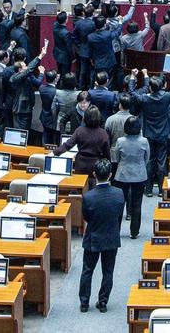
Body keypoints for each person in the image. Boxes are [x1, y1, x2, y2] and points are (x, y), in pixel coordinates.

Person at [78, 162, 124, 312]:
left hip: (93, 237)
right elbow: (118, 216)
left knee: (87, 270)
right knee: (108, 271)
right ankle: (103, 302)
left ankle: (84, 303)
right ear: (110, 175)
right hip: (111, 236)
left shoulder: (88, 197)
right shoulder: (119, 193)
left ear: (94, 175)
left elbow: (86, 217)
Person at [127, 69, 170, 193]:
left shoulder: (145, 99)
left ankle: (149, 189)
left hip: (148, 133)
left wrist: (133, 76)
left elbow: (132, 92)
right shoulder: (166, 97)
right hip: (163, 133)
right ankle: (161, 189)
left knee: (149, 161)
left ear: (150, 88)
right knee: (161, 161)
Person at [110, 116, 150, 239]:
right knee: (137, 204)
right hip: (139, 174)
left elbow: (116, 157)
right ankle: (134, 232)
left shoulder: (120, 141)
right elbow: (147, 158)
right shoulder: (144, 141)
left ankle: (116, 231)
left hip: (122, 174)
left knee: (119, 204)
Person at [56, 106, 110, 178]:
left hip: (80, 165)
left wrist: (55, 152)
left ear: (85, 117)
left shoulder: (80, 130)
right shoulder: (103, 133)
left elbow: (68, 145)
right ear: (99, 117)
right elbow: (107, 154)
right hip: (96, 166)